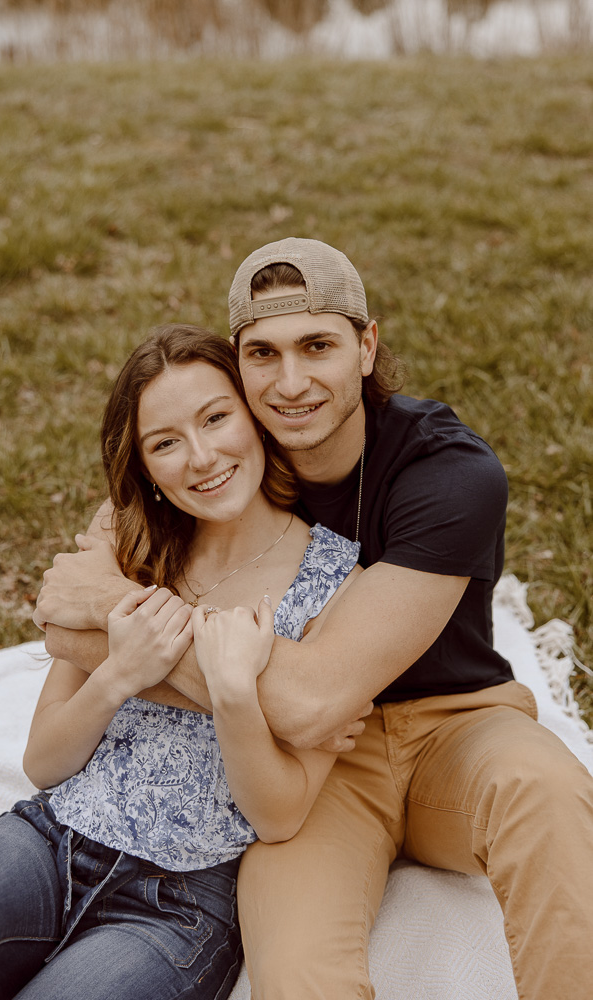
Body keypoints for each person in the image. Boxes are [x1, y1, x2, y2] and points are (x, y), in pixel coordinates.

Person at [35, 238, 593, 1000]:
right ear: (237, 366)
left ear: (366, 347)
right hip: (318, 775)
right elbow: (62, 626)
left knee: (546, 788)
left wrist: (111, 607)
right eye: (262, 354)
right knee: (297, 965)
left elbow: (305, 701)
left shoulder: (450, 472)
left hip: (453, 726)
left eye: (318, 346)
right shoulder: (223, 449)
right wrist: (98, 615)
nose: (290, 383)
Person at [0, 324, 365, 1000]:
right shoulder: (134, 554)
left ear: (253, 414)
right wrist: (118, 675)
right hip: (52, 840)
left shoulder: (334, 577)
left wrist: (234, 694)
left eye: (216, 418)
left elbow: (280, 817)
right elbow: (44, 762)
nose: (200, 457)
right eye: (164, 443)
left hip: (181, 907)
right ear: (145, 467)